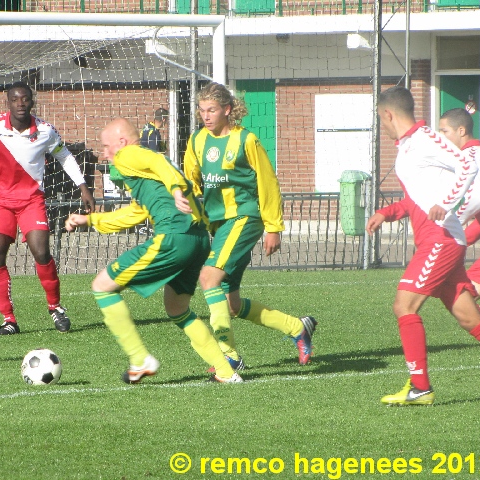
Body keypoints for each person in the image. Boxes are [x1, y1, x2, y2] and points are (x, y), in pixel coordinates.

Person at [65, 117, 243, 384]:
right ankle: (226, 372)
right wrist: (91, 220)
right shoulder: (144, 170)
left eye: (106, 146)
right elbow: (137, 213)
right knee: (177, 307)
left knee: (102, 286)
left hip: (173, 236)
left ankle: (139, 359)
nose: (105, 154)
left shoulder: (128, 155)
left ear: (122, 142)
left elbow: (159, 164)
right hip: (197, 238)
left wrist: (175, 190)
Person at [365, 86, 480, 406]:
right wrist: (387, 212)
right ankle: (419, 388)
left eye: (380, 119)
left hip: (442, 239)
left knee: (404, 306)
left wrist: (448, 203)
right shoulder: (408, 146)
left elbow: (469, 166)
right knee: (467, 315)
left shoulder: (426, 139)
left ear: (387, 115)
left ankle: (420, 387)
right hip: (437, 238)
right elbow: (417, 197)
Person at [182, 82, 317, 371]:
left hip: (245, 218)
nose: (205, 116)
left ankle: (228, 356)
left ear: (227, 110)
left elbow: (267, 183)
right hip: (219, 224)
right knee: (231, 303)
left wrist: (273, 227)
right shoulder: (197, 141)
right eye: (202, 110)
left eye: (212, 110)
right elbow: (190, 180)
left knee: (208, 279)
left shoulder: (247, 140)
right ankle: (297, 328)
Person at [0, 82, 95, 335]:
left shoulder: (45, 130)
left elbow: (64, 156)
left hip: (31, 200)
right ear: (7, 103)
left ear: (32, 102)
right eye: (15, 99)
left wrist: (83, 187)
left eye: (25, 99)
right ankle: (9, 319)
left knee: (41, 252)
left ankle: (55, 308)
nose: (20, 103)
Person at [439, 107, 480, 372]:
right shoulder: (476, 155)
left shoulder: (470, 155)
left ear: (461, 131)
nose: (441, 137)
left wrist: (455, 221)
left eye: (444, 131)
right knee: (464, 298)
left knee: (461, 299)